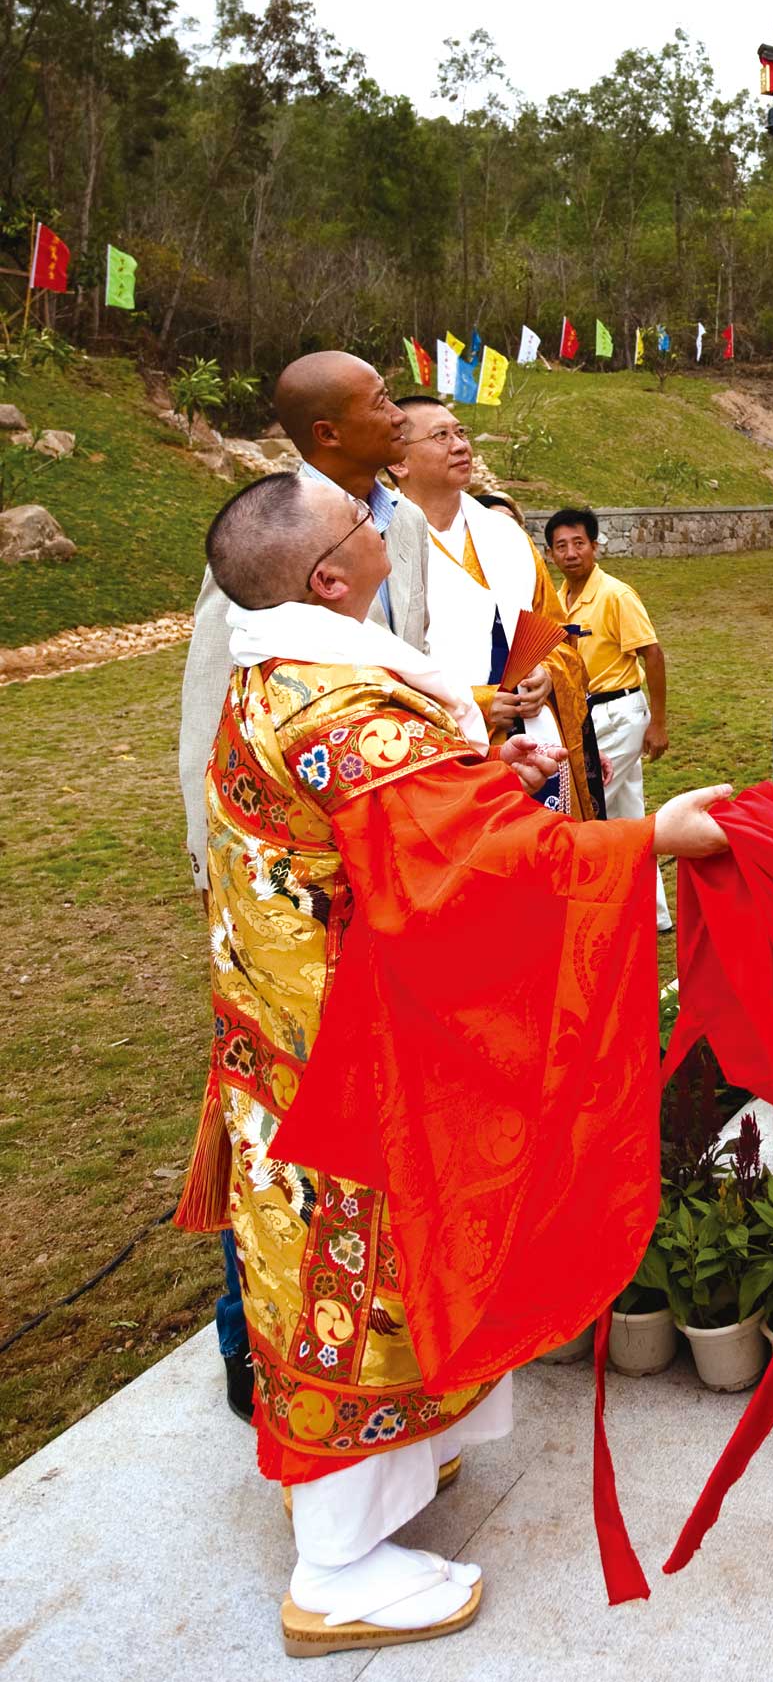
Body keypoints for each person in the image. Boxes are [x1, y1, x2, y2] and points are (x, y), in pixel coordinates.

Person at [177, 470, 729, 1654]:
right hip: (348, 1072)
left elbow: (405, 819)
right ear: (330, 578)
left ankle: (372, 1499)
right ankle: (335, 1570)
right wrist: (645, 838)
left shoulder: (281, 674)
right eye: (357, 524)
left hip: (296, 1050)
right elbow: (466, 872)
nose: (380, 528)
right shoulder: (335, 708)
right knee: (355, 1292)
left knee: (340, 1289)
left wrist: (489, 778)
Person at [177, 348, 429, 1425]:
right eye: (380, 400)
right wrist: (220, 865)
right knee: (285, 1132)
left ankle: (390, 1365)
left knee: (372, 1145)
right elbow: (218, 716)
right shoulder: (277, 539)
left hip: (378, 860)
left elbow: (396, 668)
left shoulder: (394, 520)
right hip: (292, 889)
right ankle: (264, 1359)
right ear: (330, 434)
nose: (404, 410)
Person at [393, 394, 602, 817]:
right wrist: (476, 701)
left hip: (539, 738)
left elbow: (556, 635)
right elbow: (375, 666)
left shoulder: (507, 537)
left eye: (461, 433)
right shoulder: (379, 543)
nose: (460, 445)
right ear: (399, 462)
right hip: (449, 753)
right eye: (440, 436)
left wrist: (548, 674)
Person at [546, 506, 673, 930]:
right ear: (549, 554)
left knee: (590, 808)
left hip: (618, 712)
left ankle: (592, 907)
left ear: (595, 546)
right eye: (560, 546)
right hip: (585, 713)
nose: (570, 553)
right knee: (627, 814)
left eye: (578, 543)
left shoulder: (616, 595)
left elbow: (651, 653)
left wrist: (658, 721)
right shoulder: (558, 599)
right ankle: (653, 914)